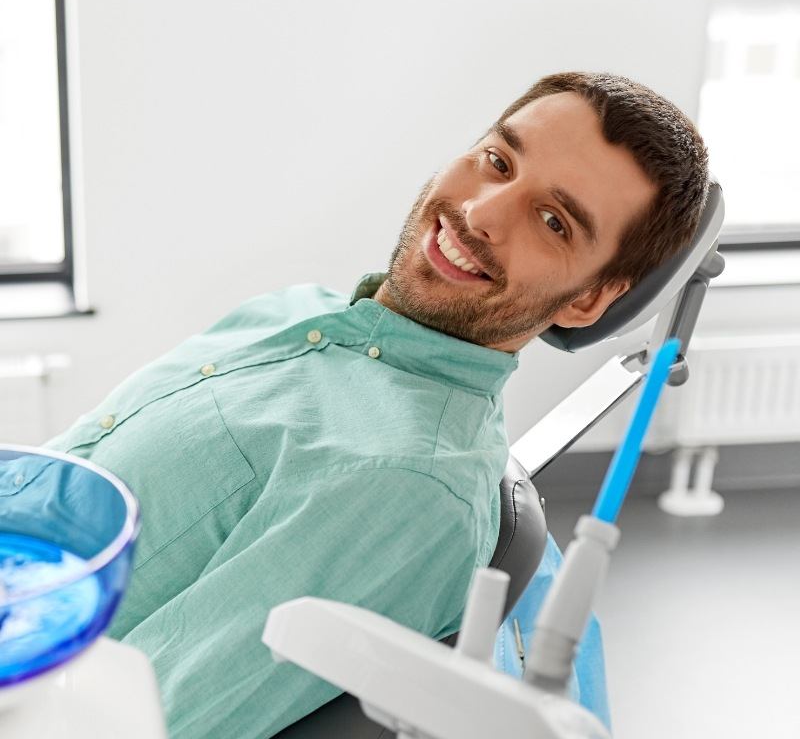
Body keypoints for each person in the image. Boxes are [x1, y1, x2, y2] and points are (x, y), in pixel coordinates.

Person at [42, 71, 709, 738]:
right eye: (498, 161)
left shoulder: (402, 486)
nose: (481, 213)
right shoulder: (299, 312)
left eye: (553, 222)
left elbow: (148, 722)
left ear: (588, 300)